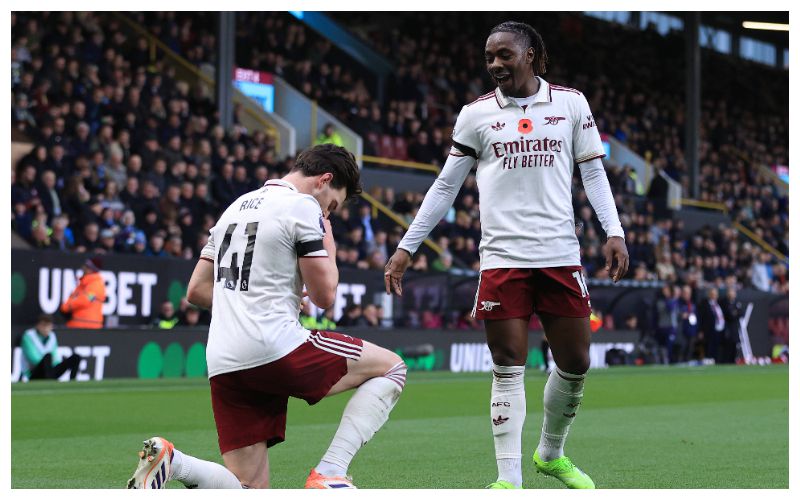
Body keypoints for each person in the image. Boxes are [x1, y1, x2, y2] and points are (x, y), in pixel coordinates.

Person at [384, 21, 628, 489]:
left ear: (532, 54)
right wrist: (406, 246)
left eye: (504, 55)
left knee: (576, 362)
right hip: (502, 258)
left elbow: (594, 176)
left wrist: (612, 231)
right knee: (508, 361)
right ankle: (508, 480)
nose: (495, 64)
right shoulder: (475, 115)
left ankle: (551, 454)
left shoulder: (571, 104)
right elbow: (445, 186)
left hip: (559, 253)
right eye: (489, 56)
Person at [127, 144, 406, 489]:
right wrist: (328, 243)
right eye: (332, 205)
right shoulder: (303, 206)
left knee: (249, 487)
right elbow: (324, 296)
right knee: (393, 367)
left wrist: (256, 296)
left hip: (224, 359)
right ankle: (331, 470)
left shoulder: (234, 207)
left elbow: (196, 291)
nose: (328, 214)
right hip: (275, 346)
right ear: (324, 180)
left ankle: (174, 462)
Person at [19, 314, 81, 381]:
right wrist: (48, 361)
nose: (46, 328)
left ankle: (72, 382)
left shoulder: (52, 336)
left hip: (50, 371)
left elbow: (56, 358)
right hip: (33, 373)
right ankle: (49, 382)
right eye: (43, 325)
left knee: (76, 357)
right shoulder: (28, 336)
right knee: (48, 357)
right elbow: (33, 359)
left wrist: (54, 366)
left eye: (48, 325)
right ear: (38, 325)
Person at [59, 256, 106, 329]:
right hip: (79, 323)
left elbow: (87, 299)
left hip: (87, 325)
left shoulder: (96, 284)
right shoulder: (85, 283)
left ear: (91, 269)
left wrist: (67, 307)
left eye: (86, 266)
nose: (83, 268)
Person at [698, 288, 726, 363]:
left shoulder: (719, 304)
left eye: (716, 294)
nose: (714, 296)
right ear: (709, 295)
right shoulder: (704, 304)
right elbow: (701, 318)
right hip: (709, 329)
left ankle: (716, 360)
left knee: (717, 346)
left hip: (720, 328)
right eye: (713, 294)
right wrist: (700, 330)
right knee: (709, 345)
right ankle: (708, 358)